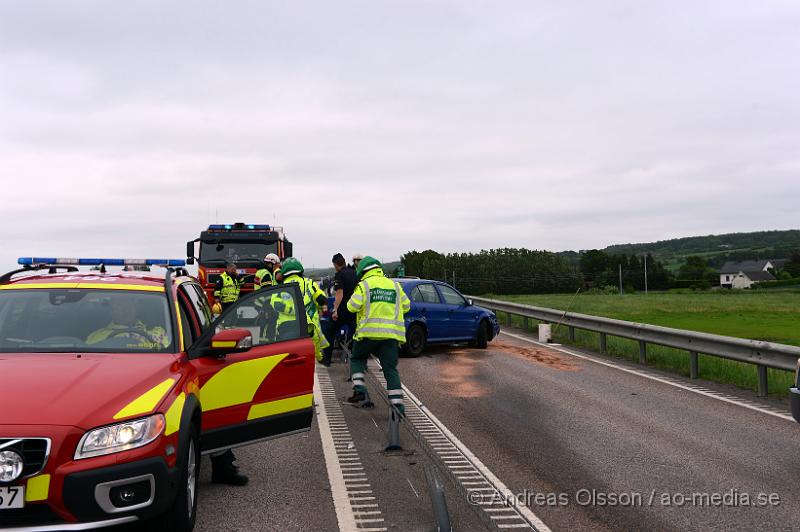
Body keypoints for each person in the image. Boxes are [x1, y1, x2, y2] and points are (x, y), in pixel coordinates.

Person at [346, 256, 411, 415]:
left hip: (367, 334)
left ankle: (359, 388)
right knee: (390, 370)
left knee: (357, 359)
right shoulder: (394, 285)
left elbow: (351, 307)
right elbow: (407, 306)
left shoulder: (363, 286)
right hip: (390, 336)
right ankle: (398, 407)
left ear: (363, 271)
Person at [280, 258, 330, 362]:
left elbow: (274, 304)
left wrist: (291, 311)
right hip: (308, 327)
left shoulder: (280, 286)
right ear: (300, 271)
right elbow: (322, 299)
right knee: (309, 358)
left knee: (289, 360)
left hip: (286, 329)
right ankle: (320, 358)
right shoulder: (309, 283)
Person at [86, 298, 170, 348]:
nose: (125, 310)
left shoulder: (157, 331)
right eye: (118, 306)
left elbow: (169, 357)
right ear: (111, 311)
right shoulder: (98, 336)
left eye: (128, 305)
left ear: (136, 309)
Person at [322, 253, 357, 366]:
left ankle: (327, 359)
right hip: (354, 311)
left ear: (336, 264)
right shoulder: (354, 272)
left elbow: (339, 292)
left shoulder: (339, 275)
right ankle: (356, 359)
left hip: (342, 311)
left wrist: (335, 310)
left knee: (329, 331)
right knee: (355, 335)